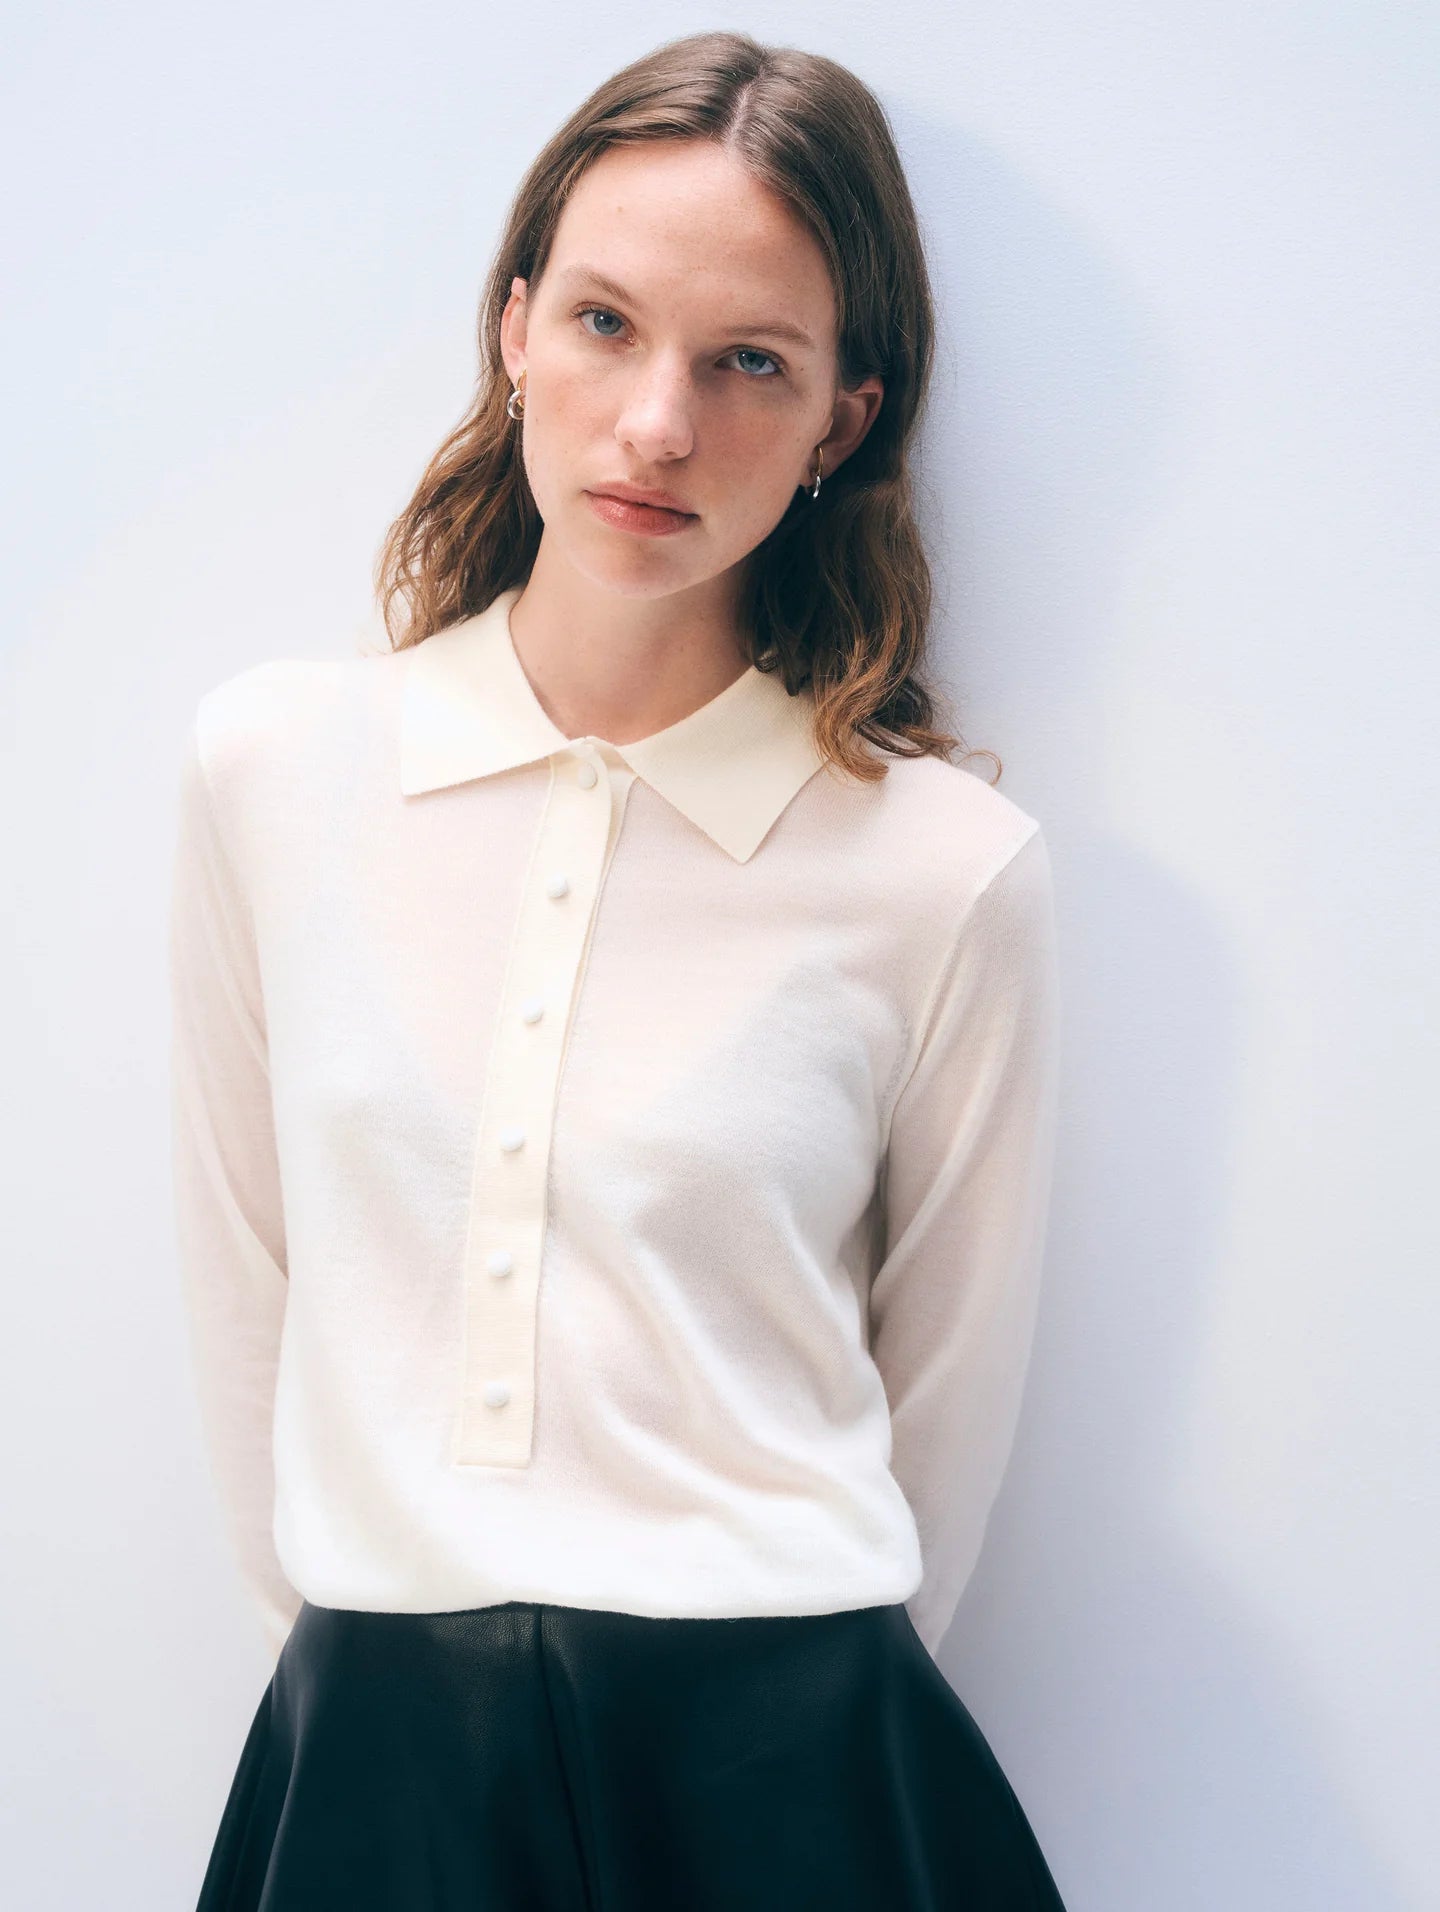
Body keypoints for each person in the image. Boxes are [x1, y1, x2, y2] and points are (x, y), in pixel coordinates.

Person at [168, 28, 1067, 1911]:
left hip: (800, 1771)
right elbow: (250, 1280)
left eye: (751, 362)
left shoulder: (944, 871)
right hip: (379, 1757)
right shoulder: (275, 772)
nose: (660, 422)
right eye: (603, 324)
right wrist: (373, 1653)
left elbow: (946, 1424)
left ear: (842, 420)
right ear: (513, 330)